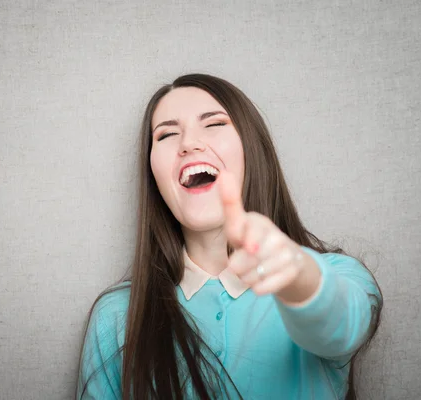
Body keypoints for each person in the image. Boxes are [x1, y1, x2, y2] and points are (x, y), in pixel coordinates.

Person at [76, 73, 383, 399]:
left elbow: (341, 324)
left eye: (214, 124)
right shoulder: (117, 316)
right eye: (167, 134)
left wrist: (295, 273)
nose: (189, 143)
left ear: (252, 149)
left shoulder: (341, 275)